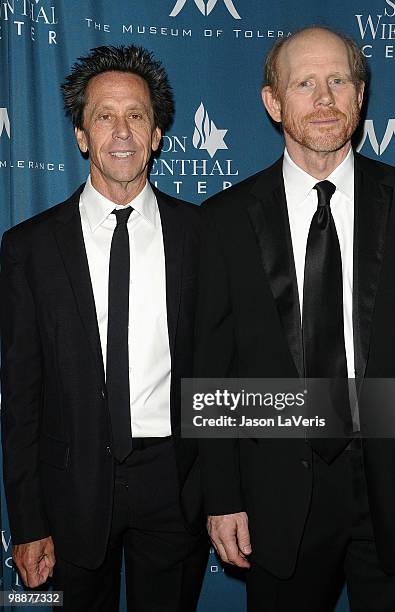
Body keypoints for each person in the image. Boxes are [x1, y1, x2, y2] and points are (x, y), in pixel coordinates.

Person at [194, 26, 395, 611]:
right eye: (304, 84)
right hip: (277, 488)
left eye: (338, 81)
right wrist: (222, 496)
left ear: (360, 94)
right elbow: (211, 365)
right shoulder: (223, 220)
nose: (324, 99)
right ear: (273, 102)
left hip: (394, 481)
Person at [1, 45, 208, 611]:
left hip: (176, 485)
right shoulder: (29, 249)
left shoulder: (201, 236)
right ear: (81, 135)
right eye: (104, 115)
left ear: (158, 134)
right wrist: (27, 520)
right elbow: (20, 398)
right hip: (71, 489)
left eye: (137, 115)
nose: (122, 130)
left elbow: (223, 365)